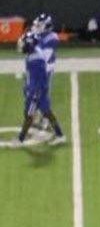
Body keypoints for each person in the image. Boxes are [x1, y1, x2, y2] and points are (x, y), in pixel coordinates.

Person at [17, 15, 64, 145]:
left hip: (39, 83)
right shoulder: (34, 52)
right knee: (46, 111)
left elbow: (42, 62)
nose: (35, 27)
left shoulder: (48, 41)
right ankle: (59, 133)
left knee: (30, 114)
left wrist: (33, 90)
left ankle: (21, 138)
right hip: (37, 82)